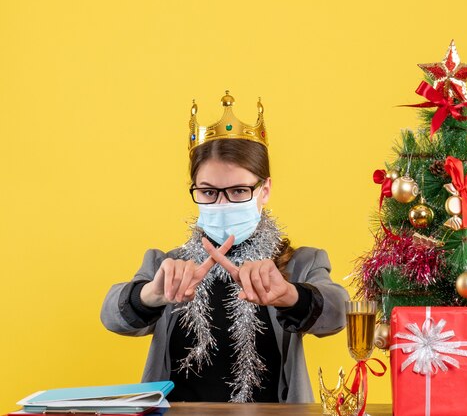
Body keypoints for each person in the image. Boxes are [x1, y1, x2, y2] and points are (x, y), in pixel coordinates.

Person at [100, 91, 349, 403]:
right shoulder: (169, 264)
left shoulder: (300, 263)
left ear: (265, 190)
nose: (222, 203)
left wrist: (290, 295)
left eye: (239, 190)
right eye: (208, 192)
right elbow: (111, 316)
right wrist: (152, 294)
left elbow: (340, 312)